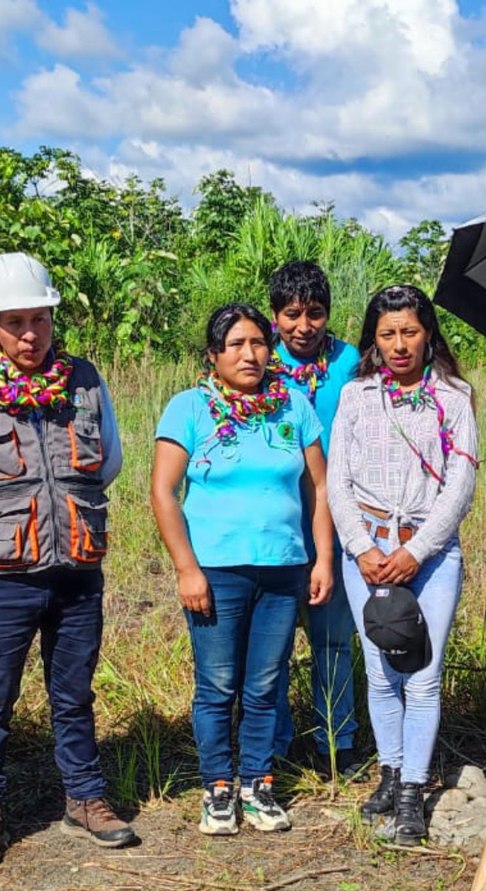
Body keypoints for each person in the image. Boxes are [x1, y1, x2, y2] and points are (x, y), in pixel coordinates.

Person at [0, 252, 137, 866]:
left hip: (77, 570)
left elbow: (110, 463)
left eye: (39, 320)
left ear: (52, 318)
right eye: (14, 321)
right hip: (0, 578)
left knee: (73, 694)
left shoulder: (85, 380)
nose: (29, 334)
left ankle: (85, 797)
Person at [152, 304, 335, 836]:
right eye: (235, 344)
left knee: (264, 684)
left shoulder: (293, 407)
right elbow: (163, 493)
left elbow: (318, 488)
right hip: (216, 570)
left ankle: (258, 784)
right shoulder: (189, 408)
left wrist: (321, 558)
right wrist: (187, 568)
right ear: (213, 355)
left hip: (283, 568)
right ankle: (217, 788)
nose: (249, 354)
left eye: (257, 342)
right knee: (218, 683)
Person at [327, 286, 478, 845]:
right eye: (387, 333)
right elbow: (337, 480)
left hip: (430, 554)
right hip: (363, 552)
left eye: (409, 332)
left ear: (428, 334)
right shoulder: (356, 397)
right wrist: (362, 548)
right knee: (380, 672)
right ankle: (389, 771)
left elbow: (460, 484)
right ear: (374, 339)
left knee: (423, 673)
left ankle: (414, 790)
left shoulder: (455, 397)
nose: (398, 344)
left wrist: (415, 552)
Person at [266, 261, 367, 779]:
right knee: (275, 639)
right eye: (292, 315)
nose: (304, 326)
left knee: (332, 636)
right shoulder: (261, 364)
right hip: (280, 520)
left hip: (341, 517)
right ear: (274, 316)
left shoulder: (351, 361)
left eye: (316, 314)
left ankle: (338, 737)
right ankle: (276, 740)